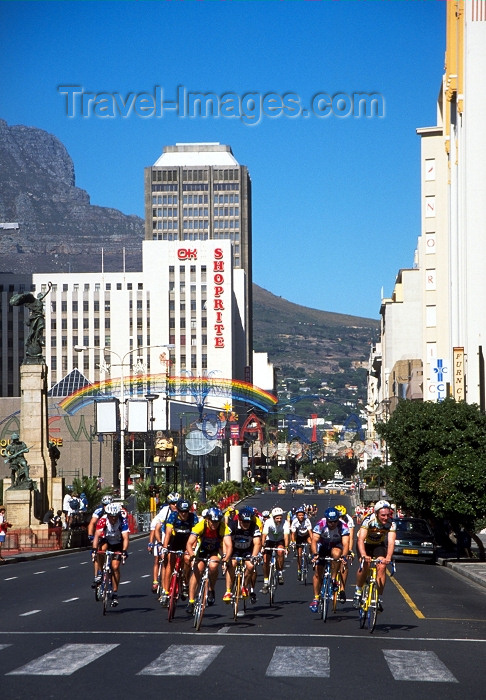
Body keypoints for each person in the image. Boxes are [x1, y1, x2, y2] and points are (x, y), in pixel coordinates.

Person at [185, 507, 233, 614]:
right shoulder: (201, 525)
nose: (214, 525)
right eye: (212, 521)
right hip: (202, 549)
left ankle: (211, 589)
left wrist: (226, 558)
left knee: (213, 566)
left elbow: (229, 546)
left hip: (214, 551)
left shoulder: (223, 527)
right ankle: (191, 601)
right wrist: (192, 555)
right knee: (198, 570)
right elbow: (189, 543)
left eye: (216, 522)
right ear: (208, 519)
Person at [353, 499, 396, 612]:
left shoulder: (391, 523)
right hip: (365, 544)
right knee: (365, 563)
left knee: (381, 566)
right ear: (376, 513)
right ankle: (358, 591)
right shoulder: (368, 520)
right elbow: (360, 539)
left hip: (378, 545)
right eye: (383, 515)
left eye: (388, 515)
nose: (385, 518)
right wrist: (363, 555)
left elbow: (391, 542)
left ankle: (378, 598)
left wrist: (388, 558)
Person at [158, 498, 199, 607]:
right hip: (174, 541)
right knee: (169, 564)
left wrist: (192, 549)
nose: (184, 514)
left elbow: (195, 535)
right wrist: (165, 547)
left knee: (186, 559)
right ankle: (166, 592)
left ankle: (185, 581)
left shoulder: (193, 517)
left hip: (187, 542)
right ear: (178, 510)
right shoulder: (173, 516)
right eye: (182, 511)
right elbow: (167, 534)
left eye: (186, 511)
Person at [309, 507, 350, 612]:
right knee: (318, 572)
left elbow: (346, 544)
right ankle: (316, 598)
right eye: (330, 521)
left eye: (335, 521)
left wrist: (344, 556)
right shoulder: (321, 524)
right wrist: (315, 554)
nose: (332, 524)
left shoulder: (343, 526)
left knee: (336, 554)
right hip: (323, 545)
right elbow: (314, 540)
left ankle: (333, 578)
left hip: (337, 545)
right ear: (326, 520)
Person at [91, 502, 130, 608]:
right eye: (111, 516)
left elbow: (126, 538)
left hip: (118, 543)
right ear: (107, 515)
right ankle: (100, 571)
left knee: (115, 567)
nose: (113, 519)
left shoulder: (122, 521)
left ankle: (115, 593)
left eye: (115, 516)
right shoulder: (103, 520)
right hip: (107, 541)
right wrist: (94, 550)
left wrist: (124, 551)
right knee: (100, 549)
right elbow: (96, 536)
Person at [224, 506, 262, 604]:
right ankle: (228, 591)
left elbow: (257, 543)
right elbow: (225, 541)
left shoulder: (254, 527)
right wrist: (225, 556)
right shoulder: (232, 525)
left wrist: (253, 557)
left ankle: (244, 586)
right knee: (232, 564)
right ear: (239, 520)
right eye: (244, 522)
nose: (246, 524)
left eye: (248, 522)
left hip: (247, 550)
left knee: (250, 566)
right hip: (234, 549)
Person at [150, 492, 180, 593]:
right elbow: (156, 528)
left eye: (177, 503)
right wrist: (159, 543)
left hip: (180, 536)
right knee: (165, 561)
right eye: (173, 503)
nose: (175, 505)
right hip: (166, 535)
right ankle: (164, 588)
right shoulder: (165, 511)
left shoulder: (184, 510)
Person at [261, 507, 290, 592]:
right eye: (277, 518)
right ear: (273, 518)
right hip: (269, 540)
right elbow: (264, 535)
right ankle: (266, 582)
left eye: (280, 518)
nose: (279, 520)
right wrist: (263, 546)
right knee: (266, 560)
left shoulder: (285, 523)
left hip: (280, 541)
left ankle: (280, 573)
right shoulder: (268, 522)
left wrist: (287, 547)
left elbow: (286, 536)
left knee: (280, 552)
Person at [88, 494, 113, 586]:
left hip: (112, 535)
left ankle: (110, 574)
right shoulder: (98, 511)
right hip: (100, 534)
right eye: (104, 505)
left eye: (108, 504)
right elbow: (91, 523)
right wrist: (90, 536)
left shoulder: (115, 511)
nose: (106, 507)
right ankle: (97, 575)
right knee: (96, 555)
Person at [335, 504, 355, 600]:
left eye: (342, 517)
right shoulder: (330, 520)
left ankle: (342, 589)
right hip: (334, 540)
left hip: (344, 540)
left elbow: (351, 537)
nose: (340, 519)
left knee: (344, 563)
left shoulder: (349, 520)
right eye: (338, 517)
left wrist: (349, 550)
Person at [290, 506, 313, 580]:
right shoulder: (294, 521)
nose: (301, 516)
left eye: (302, 515)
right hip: (299, 536)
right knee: (299, 555)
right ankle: (299, 570)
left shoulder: (307, 521)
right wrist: (293, 542)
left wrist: (312, 542)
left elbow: (310, 532)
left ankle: (310, 555)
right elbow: (293, 533)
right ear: (297, 516)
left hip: (306, 535)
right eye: (299, 515)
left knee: (310, 543)